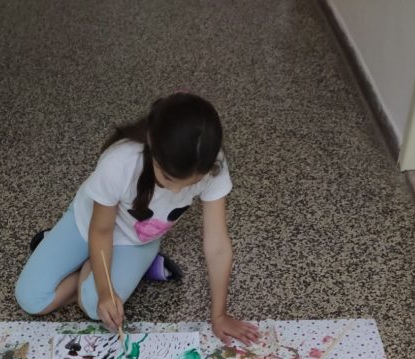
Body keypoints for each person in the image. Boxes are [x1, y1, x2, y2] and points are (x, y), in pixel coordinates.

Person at [15, 93, 258, 345]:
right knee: (32, 299)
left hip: (136, 240)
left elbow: (217, 245)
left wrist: (219, 315)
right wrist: (106, 291)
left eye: (190, 184)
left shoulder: (211, 163)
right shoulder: (120, 161)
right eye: (168, 179)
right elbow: (101, 231)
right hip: (87, 225)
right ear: (152, 144)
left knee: (94, 306)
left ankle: (107, 266)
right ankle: (87, 261)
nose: (176, 192)